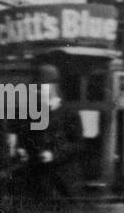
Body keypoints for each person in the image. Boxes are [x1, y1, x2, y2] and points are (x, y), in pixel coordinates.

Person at [20, 64, 83, 199]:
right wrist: (24, 150)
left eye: (41, 87)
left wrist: (54, 155)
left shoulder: (69, 113)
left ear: (54, 87)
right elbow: (26, 138)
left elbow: (78, 145)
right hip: (39, 181)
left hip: (64, 181)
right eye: (36, 87)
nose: (38, 91)